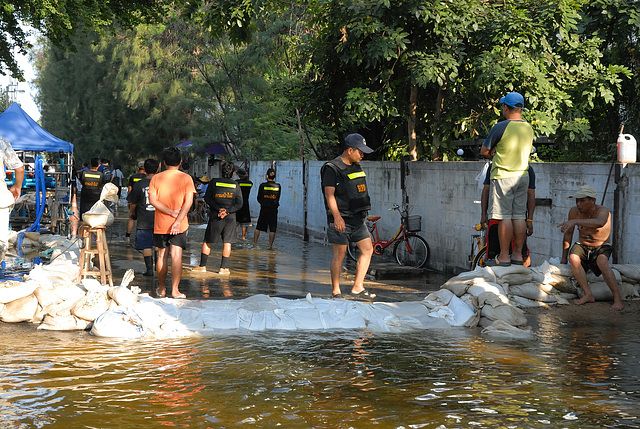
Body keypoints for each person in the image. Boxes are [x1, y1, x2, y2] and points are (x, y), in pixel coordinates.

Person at [480, 91, 533, 266]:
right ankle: (518, 255)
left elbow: (484, 151)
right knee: (519, 216)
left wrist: (493, 154)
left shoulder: (500, 127)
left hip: (503, 176)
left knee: (504, 217)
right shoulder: (528, 127)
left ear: (506, 108)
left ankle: (503, 257)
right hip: (522, 176)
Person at [321, 133, 375, 300]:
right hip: (341, 219)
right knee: (339, 255)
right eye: (360, 151)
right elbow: (329, 195)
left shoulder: (356, 166)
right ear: (350, 150)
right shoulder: (332, 168)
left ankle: (357, 287)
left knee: (367, 249)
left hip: (358, 219)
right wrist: (337, 217)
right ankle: (336, 291)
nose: (363, 155)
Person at [558, 185, 624, 311]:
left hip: (601, 246)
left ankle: (617, 298)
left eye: (582, 201)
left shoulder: (603, 211)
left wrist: (575, 221)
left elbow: (599, 222)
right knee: (574, 257)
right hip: (583, 245)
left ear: (592, 200)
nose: (578, 204)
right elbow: (569, 234)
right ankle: (588, 294)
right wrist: (563, 258)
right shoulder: (574, 212)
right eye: (577, 200)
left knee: (602, 261)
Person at [149, 147, 195, 299]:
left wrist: (170, 213)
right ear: (180, 162)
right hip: (180, 224)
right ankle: (175, 290)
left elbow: (153, 201)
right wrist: (178, 219)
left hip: (161, 223)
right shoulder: (186, 178)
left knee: (162, 255)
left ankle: (162, 289)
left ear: (163, 162)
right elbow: (188, 202)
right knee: (177, 256)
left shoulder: (156, 178)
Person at [481, 161, 536, 266]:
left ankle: (504, 257)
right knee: (521, 252)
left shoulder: (496, 166)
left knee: (496, 254)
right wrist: (529, 219)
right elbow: (531, 195)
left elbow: (486, 191)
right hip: (517, 221)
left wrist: (483, 214)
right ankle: (517, 257)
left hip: (499, 220)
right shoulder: (527, 168)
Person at [193, 162, 243, 274]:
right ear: (233, 173)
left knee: (207, 241)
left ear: (221, 171)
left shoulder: (214, 182)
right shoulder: (235, 185)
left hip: (215, 216)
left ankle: (203, 266)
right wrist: (227, 211)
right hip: (230, 218)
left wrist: (218, 209)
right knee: (227, 243)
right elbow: (239, 203)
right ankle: (223, 268)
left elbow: (208, 198)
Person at [127, 158, 159, 276]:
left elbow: (133, 203)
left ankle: (149, 270)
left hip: (144, 219)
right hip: (159, 220)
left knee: (146, 245)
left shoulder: (139, 184)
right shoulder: (161, 184)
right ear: (158, 169)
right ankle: (159, 267)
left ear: (144, 169)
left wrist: (132, 213)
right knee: (157, 245)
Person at [0, 136, 24, 261]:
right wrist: (17, 186)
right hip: (1, 200)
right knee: (1, 242)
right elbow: (19, 169)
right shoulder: (2, 142)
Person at [253, 168, 281, 249]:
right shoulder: (278, 186)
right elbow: (278, 198)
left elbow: (259, 197)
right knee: (272, 228)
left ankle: (254, 244)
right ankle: (270, 246)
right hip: (273, 209)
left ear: (267, 176)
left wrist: (264, 203)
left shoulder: (262, 185)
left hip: (264, 209)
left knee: (258, 227)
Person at [126, 161, 146, 239]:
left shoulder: (133, 177)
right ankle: (140, 236)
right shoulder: (147, 178)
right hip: (144, 200)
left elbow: (130, 190)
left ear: (138, 168)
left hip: (134, 200)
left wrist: (129, 201)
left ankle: (127, 236)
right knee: (142, 219)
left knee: (131, 217)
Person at [235, 168, 253, 240]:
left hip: (237, 203)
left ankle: (235, 236)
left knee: (236, 222)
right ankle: (243, 237)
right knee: (244, 222)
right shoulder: (250, 183)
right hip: (245, 204)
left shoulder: (236, 182)